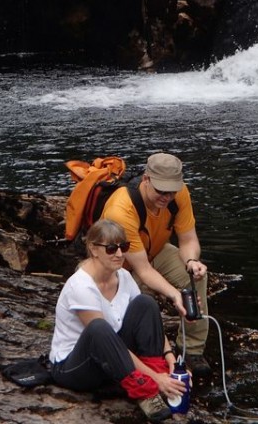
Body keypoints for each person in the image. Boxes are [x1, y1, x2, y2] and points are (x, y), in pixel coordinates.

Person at [49, 219, 187, 423]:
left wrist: (170, 360)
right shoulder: (81, 286)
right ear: (94, 249)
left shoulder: (123, 276)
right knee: (99, 327)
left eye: (124, 247)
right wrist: (158, 380)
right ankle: (145, 391)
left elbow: (146, 322)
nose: (120, 254)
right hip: (75, 367)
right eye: (112, 249)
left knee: (146, 303)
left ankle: (155, 376)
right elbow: (109, 340)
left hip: (110, 359)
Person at [101, 152, 211, 378]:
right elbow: (142, 270)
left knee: (196, 277)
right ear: (146, 179)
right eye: (161, 190)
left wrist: (191, 261)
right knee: (142, 297)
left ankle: (192, 349)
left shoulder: (179, 195)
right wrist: (175, 295)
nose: (167, 197)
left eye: (172, 191)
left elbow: (188, 239)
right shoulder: (121, 209)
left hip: (156, 249)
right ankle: (147, 352)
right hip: (122, 264)